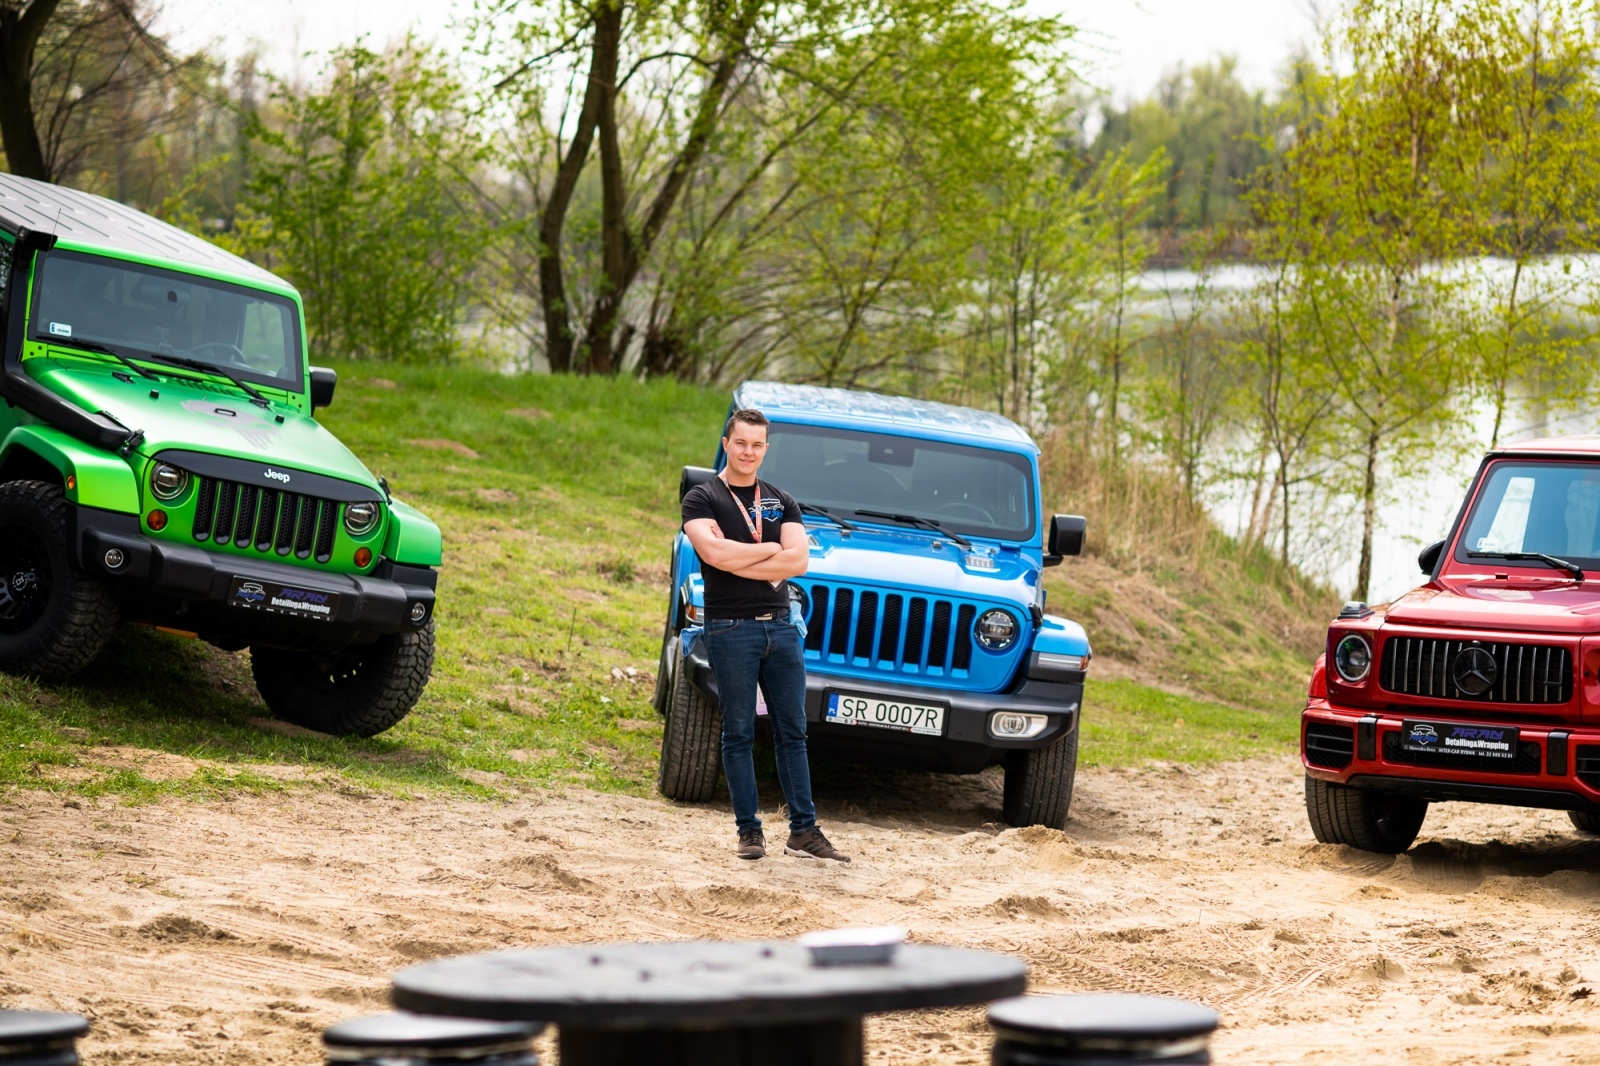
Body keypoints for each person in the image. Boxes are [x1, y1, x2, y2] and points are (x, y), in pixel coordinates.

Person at [681, 408, 850, 863]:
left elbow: (799, 562)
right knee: (738, 731)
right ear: (726, 443)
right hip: (729, 628)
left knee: (793, 732)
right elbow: (714, 555)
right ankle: (749, 832)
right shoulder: (702, 498)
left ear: (766, 449)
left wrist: (742, 556)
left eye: (757, 445)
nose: (748, 452)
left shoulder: (781, 500)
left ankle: (803, 832)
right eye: (740, 443)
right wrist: (771, 548)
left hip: (781, 627)